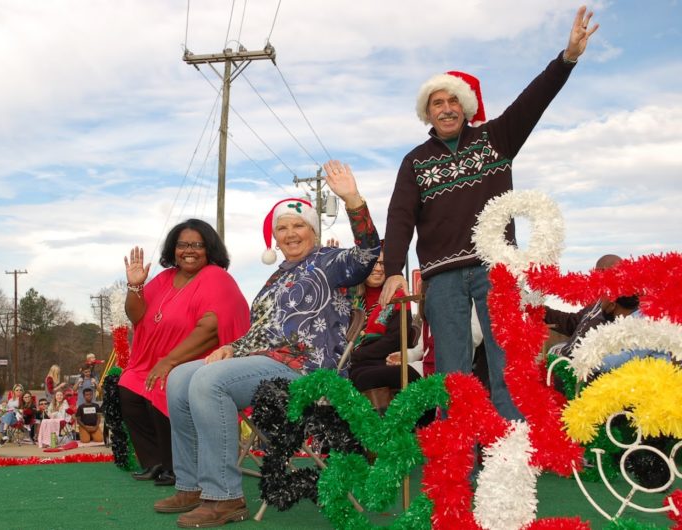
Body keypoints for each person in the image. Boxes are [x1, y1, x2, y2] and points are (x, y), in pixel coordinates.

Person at [381, 6, 599, 421]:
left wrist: (567, 57)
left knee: (508, 365)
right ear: (427, 112)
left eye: (452, 102)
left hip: (497, 270)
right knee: (453, 370)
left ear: (465, 107)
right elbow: (400, 216)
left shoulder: (495, 139)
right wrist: (394, 267)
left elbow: (534, 100)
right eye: (436, 103)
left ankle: (511, 456)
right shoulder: (414, 161)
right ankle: (455, 464)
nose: (445, 109)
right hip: (442, 278)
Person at [154, 160, 380, 527]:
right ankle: (193, 484)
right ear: (274, 238)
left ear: (313, 230)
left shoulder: (330, 262)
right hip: (265, 362)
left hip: (306, 372)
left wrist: (352, 199)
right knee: (180, 378)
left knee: (210, 382)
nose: (291, 234)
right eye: (283, 228)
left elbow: (368, 253)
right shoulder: (276, 279)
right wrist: (233, 348)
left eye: (299, 226)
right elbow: (261, 332)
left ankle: (225, 497)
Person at [121, 218, 250, 486]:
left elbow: (212, 328)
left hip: (197, 361)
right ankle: (155, 461)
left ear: (209, 249)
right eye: (182, 245)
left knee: (162, 385)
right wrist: (135, 286)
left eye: (197, 245)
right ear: (173, 249)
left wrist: (169, 361)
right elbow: (137, 314)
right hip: (155, 360)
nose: (188, 250)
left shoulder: (216, 277)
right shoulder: (165, 278)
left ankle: (178, 466)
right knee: (129, 385)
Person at [349, 246, 419, 408]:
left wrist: (358, 355)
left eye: (383, 264)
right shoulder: (352, 298)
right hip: (358, 361)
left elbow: (395, 340)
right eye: (373, 263)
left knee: (361, 377)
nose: (379, 269)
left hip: (385, 359)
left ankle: (380, 427)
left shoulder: (399, 297)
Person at [545, 254, 623, 357]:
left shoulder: (622, 305)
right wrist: (542, 312)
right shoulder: (597, 301)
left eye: (601, 272)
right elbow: (573, 323)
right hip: (567, 360)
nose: (596, 276)